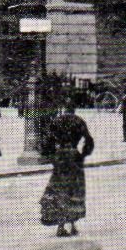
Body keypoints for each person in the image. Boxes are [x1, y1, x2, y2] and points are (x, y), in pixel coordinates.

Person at [40, 102, 95, 237]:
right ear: (74, 109)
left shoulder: (57, 121)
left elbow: (47, 141)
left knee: (59, 189)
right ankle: (73, 225)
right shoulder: (79, 121)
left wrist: (51, 156)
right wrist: (83, 155)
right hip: (74, 156)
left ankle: (60, 225)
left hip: (60, 157)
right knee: (74, 190)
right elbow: (89, 141)